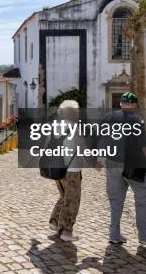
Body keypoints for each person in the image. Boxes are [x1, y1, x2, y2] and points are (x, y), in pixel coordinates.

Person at [99, 92, 146, 245]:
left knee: (115, 200)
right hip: (134, 166)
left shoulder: (108, 117)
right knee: (143, 199)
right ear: (134, 105)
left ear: (121, 104)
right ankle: (144, 236)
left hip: (112, 163)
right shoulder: (136, 119)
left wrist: (95, 159)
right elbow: (145, 145)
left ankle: (114, 235)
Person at [48, 100, 83, 242]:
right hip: (72, 169)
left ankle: (55, 221)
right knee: (72, 200)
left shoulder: (55, 126)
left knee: (64, 196)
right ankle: (66, 231)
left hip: (59, 168)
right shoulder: (75, 127)